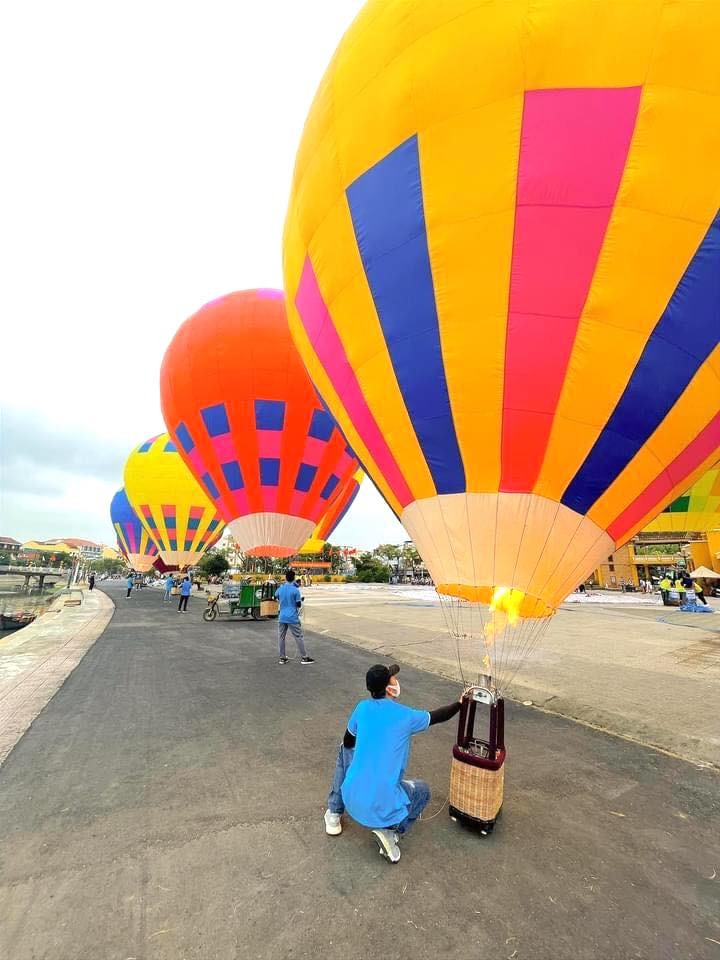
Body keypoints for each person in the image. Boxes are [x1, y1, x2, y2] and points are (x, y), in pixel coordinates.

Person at [324, 662, 462, 863]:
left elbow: (348, 742)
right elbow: (439, 715)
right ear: (389, 688)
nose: (397, 681)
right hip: (383, 803)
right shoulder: (406, 716)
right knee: (422, 790)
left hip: (351, 799)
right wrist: (460, 703)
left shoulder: (362, 708)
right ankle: (391, 833)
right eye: (393, 678)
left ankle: (334, 812)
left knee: (344, 749)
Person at [276, 569, 314, 664]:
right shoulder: (295, 590)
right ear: (293, 578)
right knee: (298, 636)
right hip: (292, 617)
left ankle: (282, 658)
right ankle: (304, 657)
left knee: (281, 637)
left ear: (285, 578)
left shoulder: (280, 588)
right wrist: (300, 600)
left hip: (282, 616)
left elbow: (276, 597)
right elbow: (298, 605)